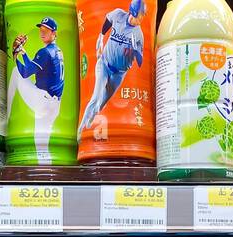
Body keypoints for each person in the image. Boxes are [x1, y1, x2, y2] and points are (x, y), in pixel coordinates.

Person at [78, 0, 146, 140]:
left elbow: (140, 62)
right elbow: (108, 20)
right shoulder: (118, 15)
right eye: (141, 15)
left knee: (101, 102)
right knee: (95, 98)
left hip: (119, 74)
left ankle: (90, 122)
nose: (142, 18)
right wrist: (101, 36)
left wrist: (135, 50)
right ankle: (81, 132)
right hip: (104, 64)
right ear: (133, 12)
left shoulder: (139, 34)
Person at [9, 16, 66, 162]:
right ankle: (47, 171)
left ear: (54, 33)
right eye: (41, 29)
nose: (42, 33)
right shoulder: (57, 50)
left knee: (16, 71)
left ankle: (7, 116)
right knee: (42, 147)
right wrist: (23, 52)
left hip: (42, 100)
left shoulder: (45, 52)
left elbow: (26, 72)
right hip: (54, 104)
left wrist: (15, 55)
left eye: (46, 30)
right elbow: (33, 67)